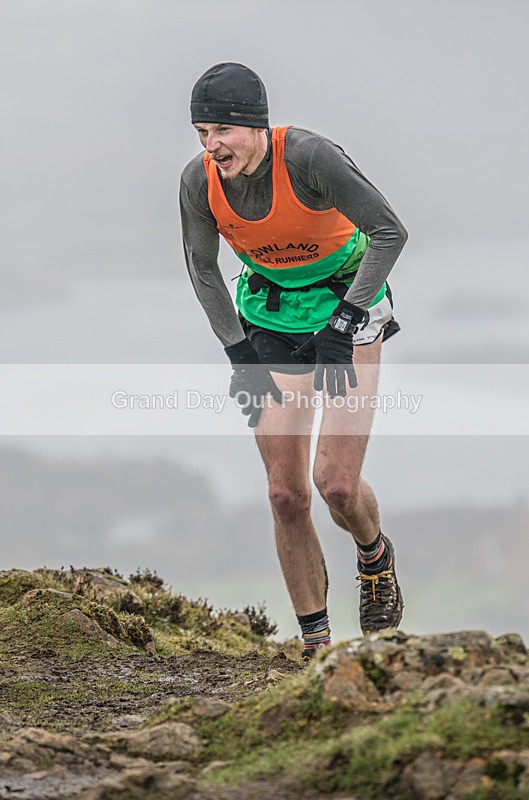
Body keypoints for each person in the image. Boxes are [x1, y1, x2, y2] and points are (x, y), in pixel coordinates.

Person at [180, 62, 408, 657]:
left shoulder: (309, 158)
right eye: (202, 132)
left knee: (334, 484)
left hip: (347, 309)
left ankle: (374, 556)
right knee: (285, 495)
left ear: (255, 126)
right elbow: (204, 272)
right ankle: (317, 649)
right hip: (270, 319)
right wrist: (238, 354)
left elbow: (389, 232)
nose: (211, 146)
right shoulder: (197, 182)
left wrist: (348, 318)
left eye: (222, 132)